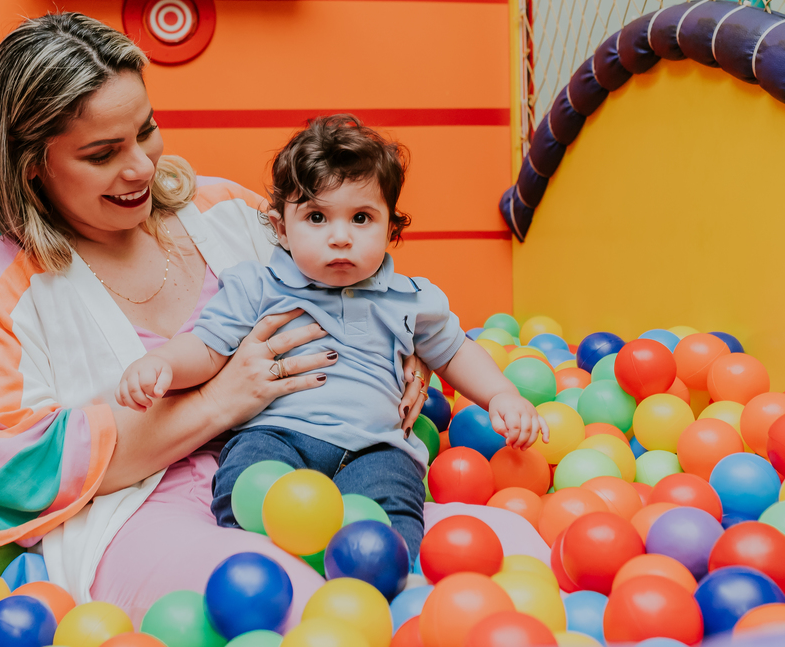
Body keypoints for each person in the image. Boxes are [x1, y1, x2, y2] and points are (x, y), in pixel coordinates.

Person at [0, 11, 548, 626]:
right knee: (299, 604)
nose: (142, 167)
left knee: (513, 554)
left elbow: (353, 265)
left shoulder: (223, 208)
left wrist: (408, 349)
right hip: (148, 509)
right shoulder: (0, 273)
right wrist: (216, 404)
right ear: (31, 163)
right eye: (102, 153)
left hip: (334, 475)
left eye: (146, 131)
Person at [116, 116, 548, 555]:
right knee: (248, 481)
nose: (340, 237)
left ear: (391, 230)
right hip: (277, 434)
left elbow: (456, 352)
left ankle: (381, 572)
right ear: (281, 228)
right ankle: (263, 557)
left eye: (361, 218)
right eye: (317, 217)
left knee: (391, 515)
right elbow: (208, 347)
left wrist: (501, 395)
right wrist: (165, 363)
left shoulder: (412, 298)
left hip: (375, 448)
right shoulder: (256, 286)